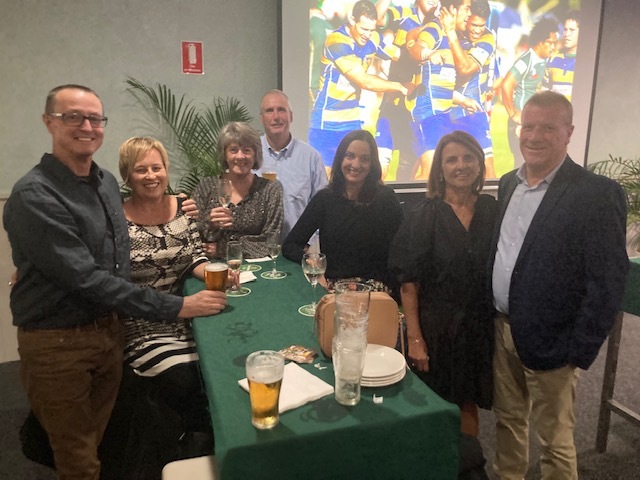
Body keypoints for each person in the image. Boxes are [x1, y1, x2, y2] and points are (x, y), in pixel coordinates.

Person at [3, 84, 226, 480]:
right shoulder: (34, 195)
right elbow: (87, 278)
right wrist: (178, 306)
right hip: (59, 341)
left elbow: (117, 253)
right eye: (73, 117)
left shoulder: (104, 182)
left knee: (106, 441)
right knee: (78, 458)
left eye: (95, 118)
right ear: (49, 122)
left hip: (109, 330)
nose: (86, 126)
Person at [490, 91, 629, 479]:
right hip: (501, 329)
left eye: (548, 128)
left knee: (554, 440)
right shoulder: (508, 184)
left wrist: (579, 350)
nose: (535, 136)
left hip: (554, 341)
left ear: (568, 132)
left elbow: (607, 280)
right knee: (508, 421)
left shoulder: (596, 193)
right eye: (528, 126)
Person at [388, 130, 497, 437]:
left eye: (468, 158)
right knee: (434, 406)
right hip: (436, 330)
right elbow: (408, 282)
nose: (460, 165)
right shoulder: (424, 215)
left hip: (478, 328)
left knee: (468, 402)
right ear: (440, 169)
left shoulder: (491, 210)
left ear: (479, 164)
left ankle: (467, 459)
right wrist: (415, 339)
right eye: (451, 160)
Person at [283, 129, 402, 293]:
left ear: (372, 164)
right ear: (340, 158)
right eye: (350, 156)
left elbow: (402, 249)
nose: (356, 164)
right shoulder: (325, 199)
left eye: (365, 159)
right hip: (334, 288)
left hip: (375, 290)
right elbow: (290, 245)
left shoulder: (386, 199)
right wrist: (311, 262)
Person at [309, 0, 412, 169]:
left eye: (371, 30)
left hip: (351, 121)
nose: (367, 35)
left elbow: (400, 55)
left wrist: (424, 53)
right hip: (326, 123)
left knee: (357, 172)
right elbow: (363, 80)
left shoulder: (373, 38)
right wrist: (400, 86)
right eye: (364, 29)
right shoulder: (336, 41)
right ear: (352, 20)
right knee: (326, 177)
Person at [192, 121, 284, 259]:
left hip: (257, 267)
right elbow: (190, 234)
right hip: (211, 266)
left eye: (247, 150)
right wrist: (210, 224)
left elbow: (271, 241)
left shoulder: (270, 189)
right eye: (233, 150)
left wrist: (225, 249)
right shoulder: (206, 186)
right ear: (224, 154)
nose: (240, 156)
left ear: (255, 154)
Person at [405, 0, 472, 179]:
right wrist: (428, 53)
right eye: (466, 9)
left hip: (443, 114)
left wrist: (462, 100)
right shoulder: (435, 29)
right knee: (429, 173)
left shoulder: (454, 37)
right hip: (428, 112)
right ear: (452, 10)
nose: (469, 14)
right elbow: (416, 47)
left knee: (436, 172)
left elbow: (443, 81)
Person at [256, 90, 328, 241]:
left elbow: (323, 208)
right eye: (269, 111)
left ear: (291, 116)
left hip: (299, 247)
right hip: (257, 247)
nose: (276, 116)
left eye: (281, 110)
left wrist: (309, 244)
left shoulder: (311, 158)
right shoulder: (250, 155)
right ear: (261, 118)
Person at [445, 0, 497, 178]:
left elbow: (465, 68)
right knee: (429, 165)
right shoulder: (453, 32)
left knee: (487, 168)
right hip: (446, 108)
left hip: (472, 112)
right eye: (473, 25)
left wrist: (451, 36)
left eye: (481, 25)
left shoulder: (487, 38)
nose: (477, 30)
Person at [500, 17, 557, 167]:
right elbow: (506, 85)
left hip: (535, 124)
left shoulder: (545, 61)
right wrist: (513, 114)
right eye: (550, 43)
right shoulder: (526, 61)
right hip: (521, 124)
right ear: (540, 42)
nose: (553, 47)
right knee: (522, 167)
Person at [544, 10, 580, 101]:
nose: (567, 34)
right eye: (565, 29)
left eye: (572, 30)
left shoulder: (587, 62)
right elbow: (543, 93)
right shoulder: (553, 58)